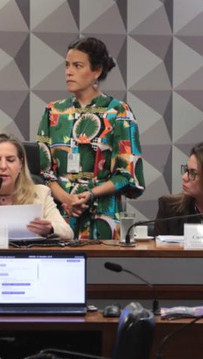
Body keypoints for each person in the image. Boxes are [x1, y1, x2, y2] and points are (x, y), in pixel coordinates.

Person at [36, 36, 145, 240]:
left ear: (97, 71)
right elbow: (43, 171)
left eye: (78, 66)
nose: (69, 72)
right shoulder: (53, 111)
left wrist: (91, 193)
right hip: (60, 214)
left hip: (103, 214)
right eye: (67, 65)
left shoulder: (118, 112)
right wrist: (67, 199)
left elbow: (128, 174)